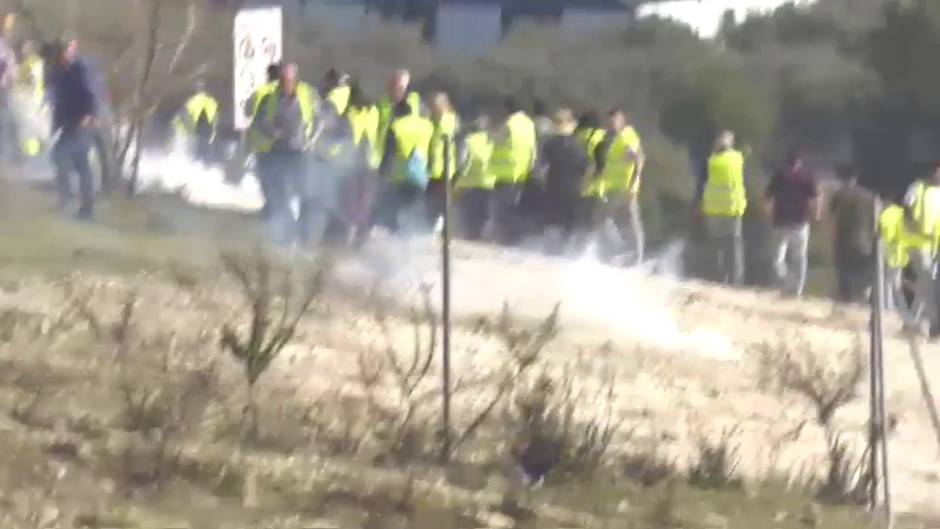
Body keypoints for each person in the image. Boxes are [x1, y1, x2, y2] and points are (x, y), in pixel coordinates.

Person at [247, 62, 320, 246]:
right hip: (277, 151)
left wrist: (312, 139)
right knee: (280, 194)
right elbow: (259, 121)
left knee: (305, 193)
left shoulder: (308, 94)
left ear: (296, 80)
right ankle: (284, 235)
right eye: (283, 80)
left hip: (301, 152)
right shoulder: (269, 97)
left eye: (290, 80)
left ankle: (304, 236)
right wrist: (273, 132)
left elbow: (319, 119)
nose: (286, 84)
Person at [48, 38, 97, 220]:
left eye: (74, 48)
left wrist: (88, 116)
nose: (73, 52)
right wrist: (55, 124)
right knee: (76, 162)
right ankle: (76, 203)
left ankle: (75, 203)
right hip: (68, 124)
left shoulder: (80, 70)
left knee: (64, 157)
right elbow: (58, 100)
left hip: (82, 123)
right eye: (70, 49)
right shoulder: (58, 71)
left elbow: (90, 95)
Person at [591, 108, 645, 265]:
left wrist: (634, 184)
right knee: (610, 222)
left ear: (622, 121)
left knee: (628, 223)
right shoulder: (616, 138)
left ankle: (634, 257)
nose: (611, 124)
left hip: (625, 189)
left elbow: (639, 158)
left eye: (614, 121)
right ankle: (623, 253)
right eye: (610, 121)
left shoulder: (627, 137)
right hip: (613, 187)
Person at [372, 100, 434, 234]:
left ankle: (399, 238)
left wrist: (381, 174)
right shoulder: (427, 126)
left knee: (396, 210)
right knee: (414, 210)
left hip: (399, 176)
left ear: (397, 112)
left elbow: (389, 153)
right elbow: (431, 150)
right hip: (420, 176)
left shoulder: (396, 126)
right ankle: (414, 238)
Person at [764, 148, 820, 296]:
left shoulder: (779, 176)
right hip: (800, 223)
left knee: (777, 259)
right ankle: (797, 289)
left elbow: (767, 197)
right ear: (799, 162)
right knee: (800, 258)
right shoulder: (807, 177)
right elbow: (814, 199)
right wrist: (816, 216)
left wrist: (769, 214)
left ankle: (787, 282)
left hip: (780, 222)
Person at [696, 130, 747, 285]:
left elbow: (701, 185)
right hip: (733, 209)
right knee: (734, 248)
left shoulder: (710, 161)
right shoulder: (738, 159)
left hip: (714, 209)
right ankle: (736, 281)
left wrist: (698, 204)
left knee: (716, 247)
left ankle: (717, 279)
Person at [880, 200, 937, 334]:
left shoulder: (891, 213)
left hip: (903, 250)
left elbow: (888, 234)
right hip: (922, 249)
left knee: (893, 284)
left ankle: (906, 318)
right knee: (925, 287)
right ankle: (914, 320)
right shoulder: (928, 203)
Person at [537, 108, 588, 254]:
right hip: (574, 187)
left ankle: (551, 249)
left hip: (554, 185)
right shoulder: (579, 144)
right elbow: (584, 167)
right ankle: (567, 250)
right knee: (569, 221)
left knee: (553, 220)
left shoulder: (550, 144)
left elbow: (542, 167)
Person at [490, 96, 537, 245]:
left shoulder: (508, 124)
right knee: (514, 208)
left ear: (507, 109)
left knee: (502, 209)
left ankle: (503, 238)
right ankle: (514, 238)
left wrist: (492, 129)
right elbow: (533, 148)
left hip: (505, 172)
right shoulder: (529, 124)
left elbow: (495, 139)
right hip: (522, 172)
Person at [829, 167, 874, 302]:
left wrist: (831, 235)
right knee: (862, 269)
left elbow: (832, 217)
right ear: (855, 179)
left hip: (844, 237)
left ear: (843, 179)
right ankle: (862, 297)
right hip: (864, 238)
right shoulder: (869, 196)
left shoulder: (839, 194)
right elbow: (875, 219)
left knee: (844, 269)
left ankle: (846, 298)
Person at [455, 113, 495, 241]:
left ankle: (470, 238)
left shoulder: (469, 140)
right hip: (488, 182)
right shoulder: (493, 140)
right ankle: (480, 239)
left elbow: (462, 162)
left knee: (468, 217)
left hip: (468, 184)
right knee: (482, 216)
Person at [426, 92, 459, 230]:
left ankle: (439, 224)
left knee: (438, 199)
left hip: (442, 165)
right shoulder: (441, 119)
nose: (432, 109)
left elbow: (438, 137)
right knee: (435, 199)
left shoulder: (446, 120)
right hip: (438, 165)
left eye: (434, 106)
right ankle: (437, 224)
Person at [376, 69, 421, 165]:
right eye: (392, 86)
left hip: (406, 156)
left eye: (400, 87)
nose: (394, 89)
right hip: (385, 153)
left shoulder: (413, 104)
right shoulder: (382, 103)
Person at [172, 82, 219, 162]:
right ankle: (202, 163)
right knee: (202, 152)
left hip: (194, 131)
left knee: (191, 152)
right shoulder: (212, 102)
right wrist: (214, 132)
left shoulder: (192, 100)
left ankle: (193, 162)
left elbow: (184, 116)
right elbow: (215, 119)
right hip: (206, 131)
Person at [14, 39, 45, 158]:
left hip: (32, 99)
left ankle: (33, 153)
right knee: (32, 126)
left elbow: (32, 80)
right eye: (23, 48)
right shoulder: (29, 63)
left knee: (30, 127)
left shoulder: (33, 63)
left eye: (25, 48)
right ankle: (34, 151)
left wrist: (21, 85)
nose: (23, 50)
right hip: (33, 99)